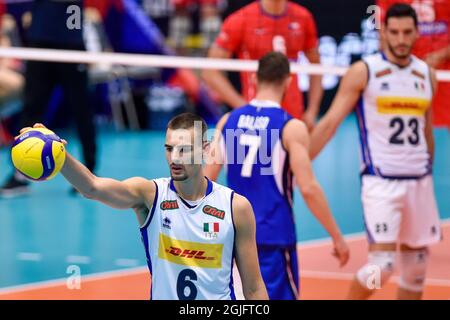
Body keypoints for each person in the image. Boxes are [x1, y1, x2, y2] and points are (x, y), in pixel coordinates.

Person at [18, 113, 268, 300]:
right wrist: (59, 153)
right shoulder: (150, 195)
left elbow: (254, 287)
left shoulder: (235, 207)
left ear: (204, 150)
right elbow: (92, 187)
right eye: (169, 149)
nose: (175, 158)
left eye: (184, 149)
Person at [310, 4, 442, 300]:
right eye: (394, 32)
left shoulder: (426, 74)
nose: (401, 39)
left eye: (407, 32)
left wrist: (427, 171)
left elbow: (427, 129)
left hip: (419, 180)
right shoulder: (364, 71)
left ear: (417, 33)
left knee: (416, 270)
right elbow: (330, 121)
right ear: (384, 33)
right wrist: (300, 163)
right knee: (381, 268)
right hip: (382, 181)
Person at [204, 52, 349, 300]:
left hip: (233, 234)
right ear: (288, 82)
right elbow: (309, 188)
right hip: (272, 236)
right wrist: (336, 235)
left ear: (253, 79)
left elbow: (205, 182)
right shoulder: (290, 127)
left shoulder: (228, 121)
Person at [0, 0, 97, 197]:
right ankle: (20, 174)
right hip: (40, 41)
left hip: (72, 43)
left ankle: (89, 173)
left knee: (81, 110)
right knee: (32, 108)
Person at [202, 0, 323, 128]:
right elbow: (210, 72)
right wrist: (243, 107)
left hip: (292, 116)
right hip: (256, 119)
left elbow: (316, 66)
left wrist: (312, 111)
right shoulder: (241, 19)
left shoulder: (303, 17)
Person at [377, 0, 450, 128]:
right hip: (403, 73)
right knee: (403, 120)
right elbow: (383, 33)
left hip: (445, 73)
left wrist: (441, 55)